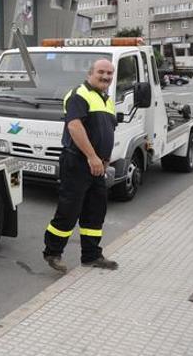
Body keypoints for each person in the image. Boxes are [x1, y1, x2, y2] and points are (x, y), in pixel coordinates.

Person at [43, 58, 119, 273]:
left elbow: (107, 132)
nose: (105, 76)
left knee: (95, 210)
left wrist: (104, 159)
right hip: (77, 162)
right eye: (101, 72)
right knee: (69, 209)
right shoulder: (79, 94)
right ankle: (52, 252)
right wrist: (92, 157)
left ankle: (92, 256)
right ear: (90, 74)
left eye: (109, 73)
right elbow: (75, 127)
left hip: (97, 164)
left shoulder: (106, 99)